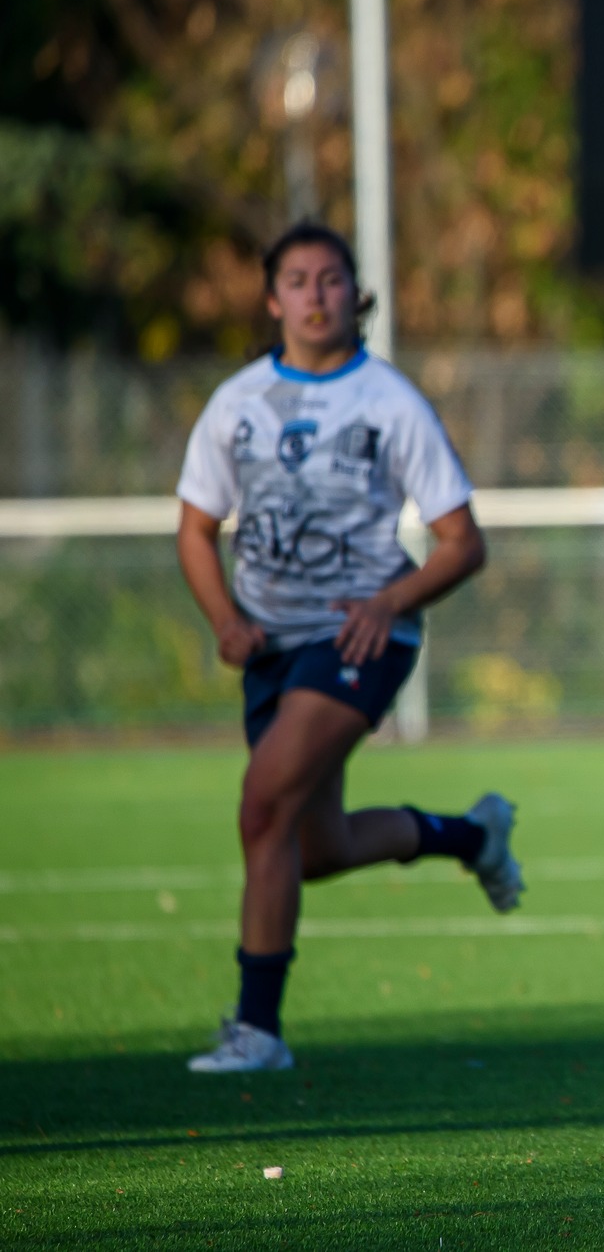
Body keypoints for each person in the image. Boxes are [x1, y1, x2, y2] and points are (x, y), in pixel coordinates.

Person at [175, 223, 520, 1073]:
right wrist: (224, 617)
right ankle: (472, 838)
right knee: (308, 844)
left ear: (353, 293)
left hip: (359, 638)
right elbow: (193, 527)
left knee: (262, 806)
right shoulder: (238, 402)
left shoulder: (388, 400)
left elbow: (461, 541)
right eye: (297, 280)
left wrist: (389, 600)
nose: (316, 294)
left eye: (331, 279)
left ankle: (257, 1029)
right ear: (272, 298)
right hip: (270, 648)